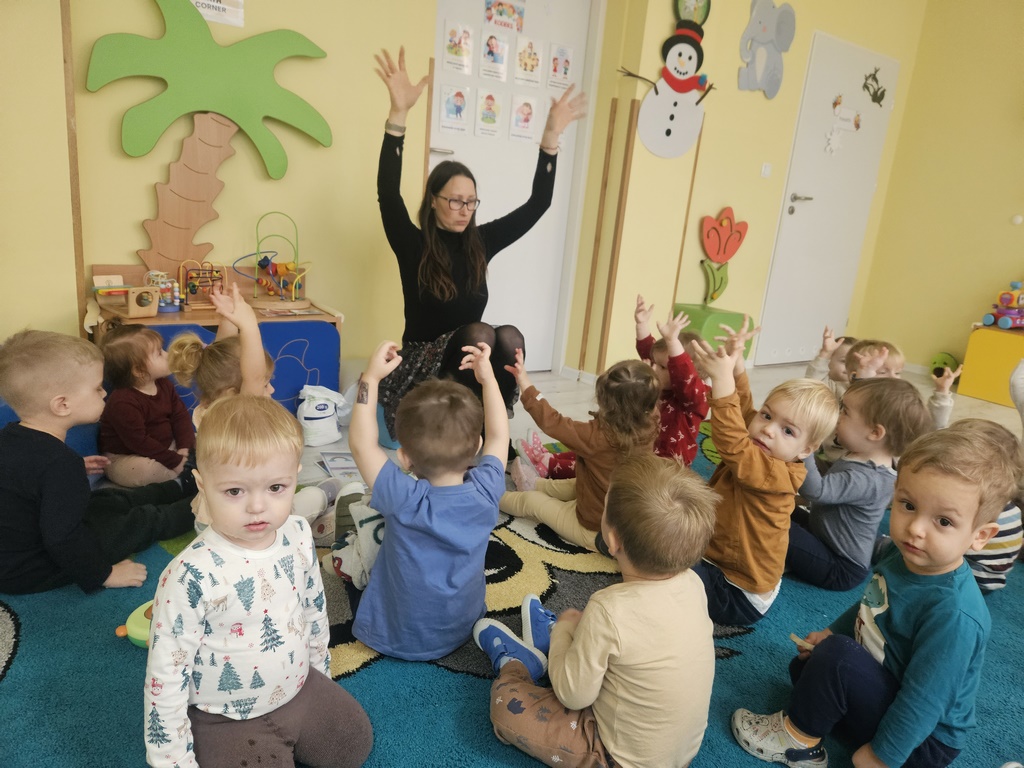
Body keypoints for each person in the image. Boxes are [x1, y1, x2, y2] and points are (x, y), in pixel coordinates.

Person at [732, 427, 1018, 768]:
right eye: (908, 505)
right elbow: (872, 601)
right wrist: (833, 632)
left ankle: (800, 745)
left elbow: (924, 701)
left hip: (921, 742)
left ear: (980, 536)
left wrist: (882, 758)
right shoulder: (904, 554)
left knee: (836, 659)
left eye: (943, 521)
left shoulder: (955, 615)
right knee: (808, 665)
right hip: (891, 689)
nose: (915, 528)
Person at [143, 396, 372, 768]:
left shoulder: (298, 532)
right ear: (202, 484)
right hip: (225, 716)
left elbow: (314, 608)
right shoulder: (189, 575)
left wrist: (320, 674)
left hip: (299, 686)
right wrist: (172, 760)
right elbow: (166, 675)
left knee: (352, 745)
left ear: (295, 476)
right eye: (235, 491)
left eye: (276, 487)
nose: (257, 507)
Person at [372, 46, 586, 442]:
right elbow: (388, 192)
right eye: (455, 200)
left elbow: (538, 204)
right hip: (421, 366)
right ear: (433, 200)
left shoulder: (480, 242)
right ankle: (462, 437)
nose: (464, 210)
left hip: (470, 357)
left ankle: (491, 437)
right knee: (480, 335)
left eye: (471, 201)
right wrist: (397, 115)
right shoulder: (412, 243)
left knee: (508, 338)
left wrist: (551, 138)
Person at [472, 453, 719, 768]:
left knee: (506, 706)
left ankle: (520, 664)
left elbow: (572, 696)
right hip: (678, 755)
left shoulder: (610, 609)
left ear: (611, 540)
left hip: (614, 757)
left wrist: (564, 630)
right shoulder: (693, 584)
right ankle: (558, 650)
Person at [337, 339, 507, 660]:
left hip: (397, 633)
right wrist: (489, 380)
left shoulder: (404, 497)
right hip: (462, 625)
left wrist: (370, 379)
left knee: (358, 540)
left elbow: (362, 444)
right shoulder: (488, 487)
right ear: (477, 446)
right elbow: (499, 436)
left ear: (403, 458)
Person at [0, 330, 193, 595]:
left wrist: (75, 468)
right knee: (138, 522)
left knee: (108, 499)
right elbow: (62, 538)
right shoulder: (59, 464)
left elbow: (24, 481)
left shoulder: (10, 436)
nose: (104, 393)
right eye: (97, 388)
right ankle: (198, 506)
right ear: (62, 405)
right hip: (34, 567)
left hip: (23, 547)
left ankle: (179, 485)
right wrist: (104, 574)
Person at [688, 324, 839, 625]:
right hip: (723, 564)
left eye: (787, 431)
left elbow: (732, 443)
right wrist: (736, 367)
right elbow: (745, 413)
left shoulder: (774, 474)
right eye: (768, 415)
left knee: (661, 559)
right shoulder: (768, 446)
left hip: (735, 592)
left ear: (806, 450)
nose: (768, 429)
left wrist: (721, 380)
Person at [168, 283, 339, 541]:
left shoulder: (210, 409)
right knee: (308, 500)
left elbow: (223, 352)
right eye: (266, 383)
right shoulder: (239, 414)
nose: (270, 389)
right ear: (232, 393)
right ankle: (322, 503)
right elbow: (253, 376)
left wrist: (228, 316)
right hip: (246, 528)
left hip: (208, 525)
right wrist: (248, 324)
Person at [518, 294, 709, 479]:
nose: (653, 369)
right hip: (638, 451)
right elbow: (649, 354)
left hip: (661, 473)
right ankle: (549, 457)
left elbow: (684, 376)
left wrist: (673, 342)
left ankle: (550, 466)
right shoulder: (658, 384)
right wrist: (642, 325)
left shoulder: (693, 400)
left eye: (663, 367)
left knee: (600, 464)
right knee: (598, 450)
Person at [502, 350, 660, 553]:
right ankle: (536, 484)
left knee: (530, 502)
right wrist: (645, 382)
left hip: (593, 529)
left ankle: (488, 496)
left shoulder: (596, 436)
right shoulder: (651, 421)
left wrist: (524, 381)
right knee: (575, 483)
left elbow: (553, 422)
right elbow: (644, 398)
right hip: (617, 513)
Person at [786, 378, 932, 592]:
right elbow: (825, 477)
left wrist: (805, 448)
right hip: (822, 536)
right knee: (778, 510)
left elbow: (815, 491)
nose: (837, 416)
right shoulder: (863, 456)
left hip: (839, 568)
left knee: (775, 526)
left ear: (875, 433)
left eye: (845, 411)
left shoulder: (868, 479)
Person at [98, 324, 194, 486]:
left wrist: (185, 448)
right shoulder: (123, 402)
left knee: (205, 441)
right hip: (126, 457)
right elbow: (139, 442)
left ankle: (185, 474)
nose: (167, 355)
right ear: (139, 371)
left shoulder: (164, 384)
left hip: (165, 448)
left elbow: (180, 416)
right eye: (159, 353)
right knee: (146, 470)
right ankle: (183, 481)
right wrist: (175, 460)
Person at [805, 325, 856, 398]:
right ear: (828, 361)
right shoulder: (828, 385)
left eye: (856, 362)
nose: (850, 366)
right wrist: (826, 353)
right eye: (844, 361)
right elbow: (813, 381)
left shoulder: (859, 386)